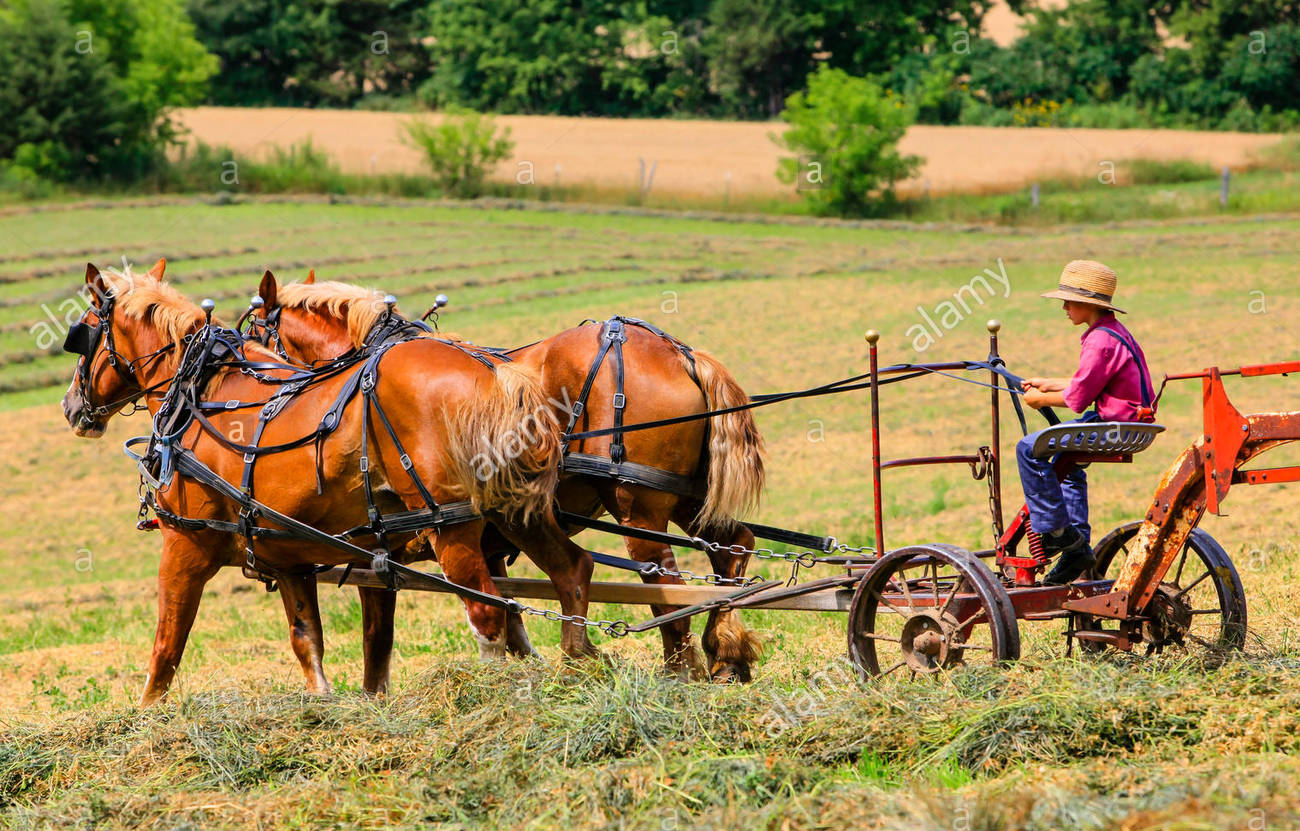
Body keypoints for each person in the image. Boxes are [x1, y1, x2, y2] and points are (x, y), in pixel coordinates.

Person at [1017, 260, 1155, 585]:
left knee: (1027, 448)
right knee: (1069, 462)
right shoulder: (1112, 332)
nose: (1064, 307)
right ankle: (1075, 546)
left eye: (1068, 300)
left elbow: (1078, 399)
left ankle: (1055, 531)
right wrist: (1049, 383)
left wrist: (1038, 400)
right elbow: (1089, 382)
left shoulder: (1098, 342)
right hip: (1127, 419)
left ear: (1087, 304)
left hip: (1114, 423)